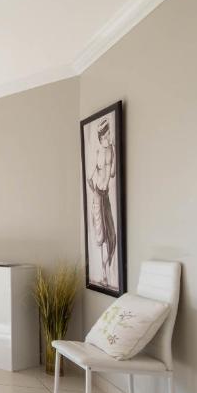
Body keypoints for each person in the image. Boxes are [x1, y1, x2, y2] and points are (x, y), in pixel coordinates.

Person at [88, 118, 117, 288]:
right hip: (98, 195)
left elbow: (112, 174)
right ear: (101, 137)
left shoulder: (111, 151)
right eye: (105, 135)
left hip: (105, 196)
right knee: (101, 235)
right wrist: (95, 194)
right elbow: (89, 178)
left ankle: (107, 270)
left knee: (111, 234)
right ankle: (104, 274)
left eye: (109, 134)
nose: (108, 137)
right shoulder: (98, 153)